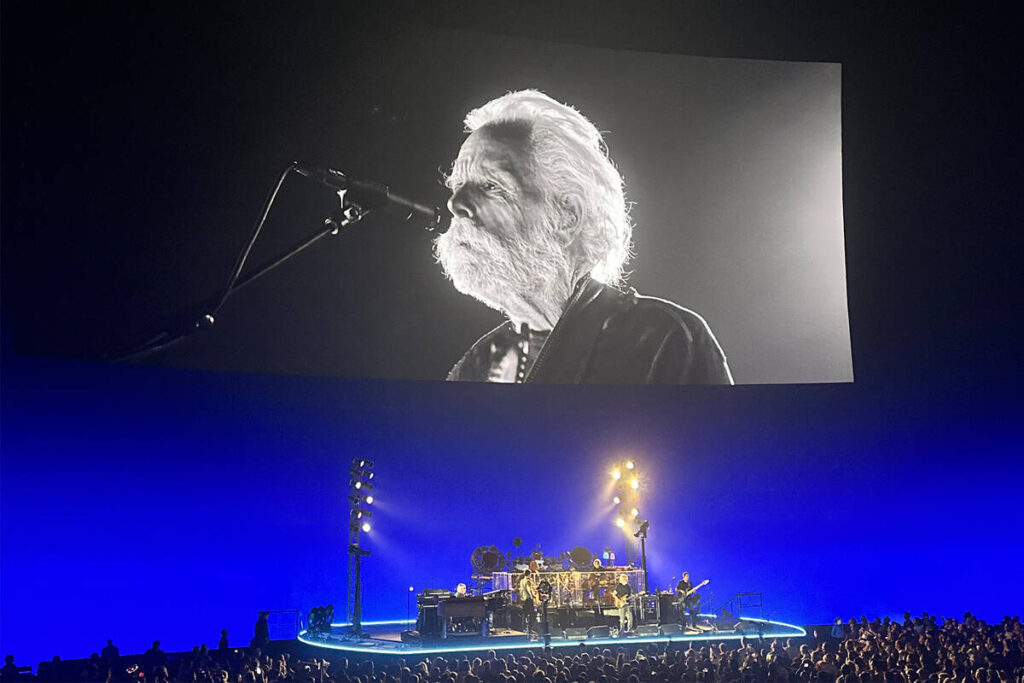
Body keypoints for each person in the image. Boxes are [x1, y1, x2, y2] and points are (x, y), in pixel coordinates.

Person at [435, 89, 733, 385]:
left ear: (568, 216)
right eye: (457, 185)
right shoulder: (475, 368)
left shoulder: (663, 340)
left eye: (490, 186)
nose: (454, 203)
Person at [518, 570, 538, 637]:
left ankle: (525, 628)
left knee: (525, 614)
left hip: (524, 599)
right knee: (532, 614)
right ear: (529, 574)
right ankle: (529, 628)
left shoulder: (521, 581)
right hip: (528, 599)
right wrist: (532, 596)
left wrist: (521, 597)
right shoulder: (527, 581)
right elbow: (527, 589)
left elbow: (521, 590)